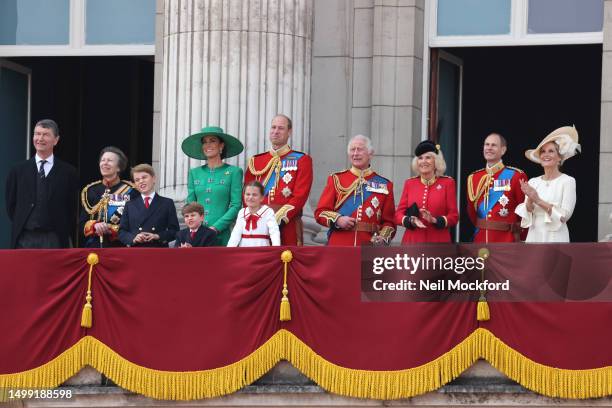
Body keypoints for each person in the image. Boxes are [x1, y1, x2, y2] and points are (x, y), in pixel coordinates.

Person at [5, 119, 79, 248]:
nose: (40, 138)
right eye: (37, 134)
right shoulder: (18, 171)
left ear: (56, 140)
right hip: (24, 238)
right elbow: (11, 205)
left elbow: (72, 207)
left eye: (45, 134)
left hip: (55, 238)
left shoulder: (68, 172)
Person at [243, 114, 313, 246]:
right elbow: (246, 193)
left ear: (289, 132)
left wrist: (276, 219)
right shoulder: (256, 161)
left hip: (287, 225)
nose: (276, 131)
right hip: (258, 224)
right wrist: (255, 217)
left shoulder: (302, 160)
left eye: (281, 128)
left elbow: (300, 196)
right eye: (273, 127)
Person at [314, 135, 395, 246]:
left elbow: (389, 222)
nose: (355, 153)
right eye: (352, 149)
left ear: (370, 153)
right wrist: (338, 220)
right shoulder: (336, 179)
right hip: (339, 245)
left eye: (360, 149)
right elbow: (320, 212)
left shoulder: (385, 184)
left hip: (369, 246)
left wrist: (383, 237)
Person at [515, 126, 579, 242]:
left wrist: (538, 200)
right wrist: (530, 199)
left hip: (556, 237)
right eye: (543, 151)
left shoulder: (568, 181)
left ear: (559, 157)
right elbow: (528, 211)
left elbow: (564, 216)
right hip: (534, 236)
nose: (546, 154)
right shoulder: (533, 182)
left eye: (551, 151)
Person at [182, 126, 244, 246]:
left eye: (212, 141)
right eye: (204, 142)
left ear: (221, 146)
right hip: (197, 234)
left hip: (221, 234)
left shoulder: (234, 172)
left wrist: (216, 227)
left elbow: (236, 205)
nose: (208, 145)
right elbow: (191, 204)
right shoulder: (194, 173)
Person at [466, 133, 528, 243]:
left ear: (503, 150)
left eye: (493, 145)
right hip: (480, 239)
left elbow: (524, 211)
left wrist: (521, 237)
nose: (489, 148)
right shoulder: (474, 178)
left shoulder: (516, 176)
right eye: (487, 144)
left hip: (506, 240)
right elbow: (471, 212)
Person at [394, 141, 458, 243]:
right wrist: (411, 220)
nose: (423, 161)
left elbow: (454, 216)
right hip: (413, 242)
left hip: (438, 242)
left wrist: (435, 220)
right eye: (420, 158)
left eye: (428, 157)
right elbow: (398, 215)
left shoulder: (447, 183)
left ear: (436, 161)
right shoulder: (410, 183)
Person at [80, 146, 139, 247]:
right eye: (103, 160)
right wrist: (94, 225)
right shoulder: (90, 190)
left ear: (119, 167)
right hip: (95, 247)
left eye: (110, 160)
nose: (105, 163)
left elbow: (137, 223)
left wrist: (111, 228)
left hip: (121, 246)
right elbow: (81, 223)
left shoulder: (131, 191)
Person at [119, 164, 179, 247]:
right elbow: (122, 231)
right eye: (137, 180)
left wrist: (157, 236)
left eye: (144, 177)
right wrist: (133, 238)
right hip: (136, 252)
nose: (141, 181)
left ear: (153, 178)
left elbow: (175, 231)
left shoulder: (167, 203)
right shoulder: (129, 205)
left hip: (158, 251)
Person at [227, 181, 281, 247]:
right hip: (244, 251)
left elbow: (274, 232)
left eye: (254, 195)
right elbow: (236, 234)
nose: (250, 197)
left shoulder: (268, 212)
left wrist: (276, 248)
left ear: (262, 198)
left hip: (262, 250)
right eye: (248, 194)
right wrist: (229, 250)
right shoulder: (242, 212)